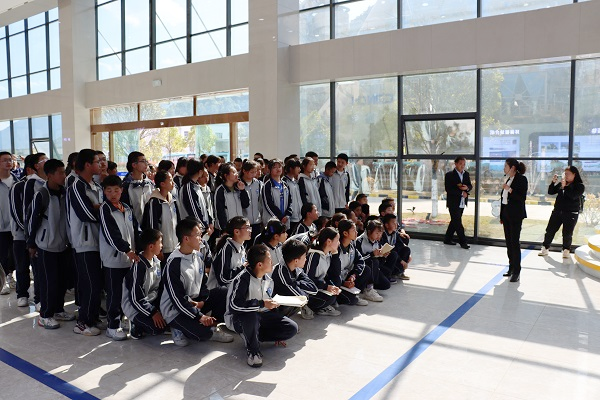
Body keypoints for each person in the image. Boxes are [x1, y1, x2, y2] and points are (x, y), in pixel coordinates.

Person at [160, 218, 233, 347]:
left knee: (224, 292)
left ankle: (210, 325)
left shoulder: (198, 256)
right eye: (198, 235)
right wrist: (200, 316)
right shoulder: (173, 264)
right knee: (203, 334)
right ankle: (177, 326)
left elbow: (203, 284)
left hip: (194, 302)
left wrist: (202, 302)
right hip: (175, 309)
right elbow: (177, 300)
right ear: (186, 239)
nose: (201, 238)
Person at [225, 244, 298, 368]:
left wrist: (276, 327)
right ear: (259, 264)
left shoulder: (268, 279)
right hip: (240, 318)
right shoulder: (242, 279)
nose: (272, 262)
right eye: (269, 260)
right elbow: (234, 306)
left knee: (291, 328)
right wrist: (261, 303)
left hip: (262, 315)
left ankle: (254, 336)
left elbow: (268, 303)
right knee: (251, 315)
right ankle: (253, 351)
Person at [26, 159, 74, 329]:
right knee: (49, 282)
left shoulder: (65, 192)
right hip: (46, 246)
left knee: (62, 281)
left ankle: (58, 310)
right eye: (60, 172)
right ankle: (45, 315)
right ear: (50, 175)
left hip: (63, 245)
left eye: (64, 172)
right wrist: (31, 244)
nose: (64, 175)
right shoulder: (42, 194)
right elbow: (32, 221)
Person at [99, 175, 140, 341]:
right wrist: (127, 250)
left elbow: (136, 230)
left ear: (122, 190)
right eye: (109, 191)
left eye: (116, 190)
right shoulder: (105, 209)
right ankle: (112, 326)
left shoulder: (127, 208)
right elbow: (111, 235)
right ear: (104, 192)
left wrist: (138, 249)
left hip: (128, 259)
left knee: (126, 293)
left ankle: (122, 319)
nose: (113, 194)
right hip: (113, 260)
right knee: (114, 294)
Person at [67, 149, 104, 336]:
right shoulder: (76, 186)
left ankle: (92, 316)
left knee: (96, 283)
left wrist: (99, 207)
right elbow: (86, 213)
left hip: (97, 241)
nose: (101, 164)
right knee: (90, 284)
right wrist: (103, 209)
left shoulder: (95, 186)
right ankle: (82, 322)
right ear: (88, 165)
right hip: (84, 242)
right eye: (97, 161)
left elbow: (98, 208)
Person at [122, 229, 167, 339]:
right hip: (135, 307)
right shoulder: (139, 266)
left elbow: (158, 288)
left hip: (150, 302)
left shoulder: (156, 261)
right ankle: (134, 321)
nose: (162, 246)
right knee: (157, 329)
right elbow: (135, 299)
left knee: (168, 321)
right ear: (151, 246)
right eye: (160, 242)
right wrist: (153, 313)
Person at [539, 166, 585, 258]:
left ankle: (566, 250)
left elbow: (573, 196)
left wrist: (565, 187)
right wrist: (553, 182)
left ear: (574, 174)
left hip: (571, 213)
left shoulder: (579, 186)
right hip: (557, 211)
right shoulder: (562, 183)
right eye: (565, 174)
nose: (566, 176)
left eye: (568, 174)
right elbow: (551, 192)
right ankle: (545, 248)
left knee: (567, 233)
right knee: (550, 231)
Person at [9, 154, 34, 306]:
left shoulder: (41, 185)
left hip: (36, 234)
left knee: (37, 267)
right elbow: (16, 212)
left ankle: (39, 297)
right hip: (20, 234)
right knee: (22, 265)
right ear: (31, 168)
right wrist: (27, 230)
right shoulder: (18, 186)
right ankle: (22, 294)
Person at [272, 239, 318, 317]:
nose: (306, 259)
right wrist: (300, 288)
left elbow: (314, 289)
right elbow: (302, 297)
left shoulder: (297, 269)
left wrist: (296, 283)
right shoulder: (281, 272)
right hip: (273, 309)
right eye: (304, 257)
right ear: (296, 261)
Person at [142, 170, 180, 263]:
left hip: (175, 246)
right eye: (170, 180)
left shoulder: (173, 200)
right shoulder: (154, 202)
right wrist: (157, 249)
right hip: (162, 249)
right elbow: (152, 226)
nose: (173, 183)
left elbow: (178, 221)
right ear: (162, 184)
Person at [303, 227, 342, 318]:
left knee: (337, 281)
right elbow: (307, 280)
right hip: (309, 290)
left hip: (319, 286)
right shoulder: (314, 255)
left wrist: (335, 254)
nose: (339, 243)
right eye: (337, 240)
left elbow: (336, 273)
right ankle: (308, 306)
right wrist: (326, 286)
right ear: (329, 241)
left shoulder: (328, 254)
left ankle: (321, 306)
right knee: (330, 298)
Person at [330, 220, 370, 306]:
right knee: (351, 300)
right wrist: (343, 283)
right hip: (336, 281)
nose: (356, 232)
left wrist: (353, 276)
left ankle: (354, 293)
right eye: (353, 230)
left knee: (366, 269)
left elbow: (360, 261)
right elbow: (331, 273)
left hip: (346, 277)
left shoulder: (351, 245)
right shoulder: (336, 248)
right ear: (345, 233)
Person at [500, 158, 528, 282]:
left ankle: (517, 271)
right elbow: (503, 200)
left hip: (516, 215)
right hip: (506, 215)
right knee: (509, 243)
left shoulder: (522, 179)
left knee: (515, 243)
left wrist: (509, 189)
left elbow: (521, 198)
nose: (504, 168)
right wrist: (502, 215)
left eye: (505, 166)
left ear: (512, 168)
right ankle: (511, 267)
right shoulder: (508, 179)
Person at [207, 216, 251, 290]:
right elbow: (223, 278)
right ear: (236, 231)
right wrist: (243, 267)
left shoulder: (241, 247)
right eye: (247, 227)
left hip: (232, 291)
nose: (250, 230)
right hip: (218, 292)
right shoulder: (226, 249)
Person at [444, 156, 472, 249]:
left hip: (462, 202)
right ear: (455, 164)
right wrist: (461, 193)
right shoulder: (449, 175)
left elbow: (470, 185)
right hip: (453, 203)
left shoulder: (466, 174)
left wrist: (467, 188)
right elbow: (448, 189)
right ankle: (463, 242)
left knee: (454, 221)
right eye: (460, 164)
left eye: (464, 164)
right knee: (458, 223)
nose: (462, 166)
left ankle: (447, 239)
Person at [214, 162, 250, 232]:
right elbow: (219, 211)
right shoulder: (221, 191)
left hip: (240, 227)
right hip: (228, 228)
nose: (236, 174)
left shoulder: (238, 188)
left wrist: (243, 190)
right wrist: (224, 229)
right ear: (226, 175)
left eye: (236, 172)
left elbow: (246, 204)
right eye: (233, 172)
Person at [0, 152, 17, 296]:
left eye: (10, 160)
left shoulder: (17, 182)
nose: (8, 162)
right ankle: (4, 279)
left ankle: (11, 276)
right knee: (2, 254)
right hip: (1, 226)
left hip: (16, 225)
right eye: (4, 160)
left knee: (15, 254)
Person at [121, 151, 154, 224]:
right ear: (134, 165)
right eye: (143, 161)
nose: (146, 164)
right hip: (133, 226)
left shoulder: (150, 184)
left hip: (150, 227)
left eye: (146, 161)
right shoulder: (126, 186)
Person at [261, 159, 293, 228]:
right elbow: (268, 204)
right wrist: (279, 217)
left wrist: (287, 215)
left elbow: (290, 201)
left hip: (285, 220)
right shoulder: (267, 185)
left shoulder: (285, 184)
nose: (278, 169)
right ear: (269, 170)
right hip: (272, 220)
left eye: (279, 167)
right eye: (274, 167)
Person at [240, 160, 264, 242]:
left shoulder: (259, 184)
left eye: (255, 172)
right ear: (244, 171)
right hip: (244, 223)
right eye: (251, 172)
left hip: (257, 221)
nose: (254, 174)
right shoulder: (239, 184)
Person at [282, 158, 303, 234]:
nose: (299, 170)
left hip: (299, 216)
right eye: (297, 167)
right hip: (290, 217)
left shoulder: (295, 182)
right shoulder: (284, 182)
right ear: (291, 169)